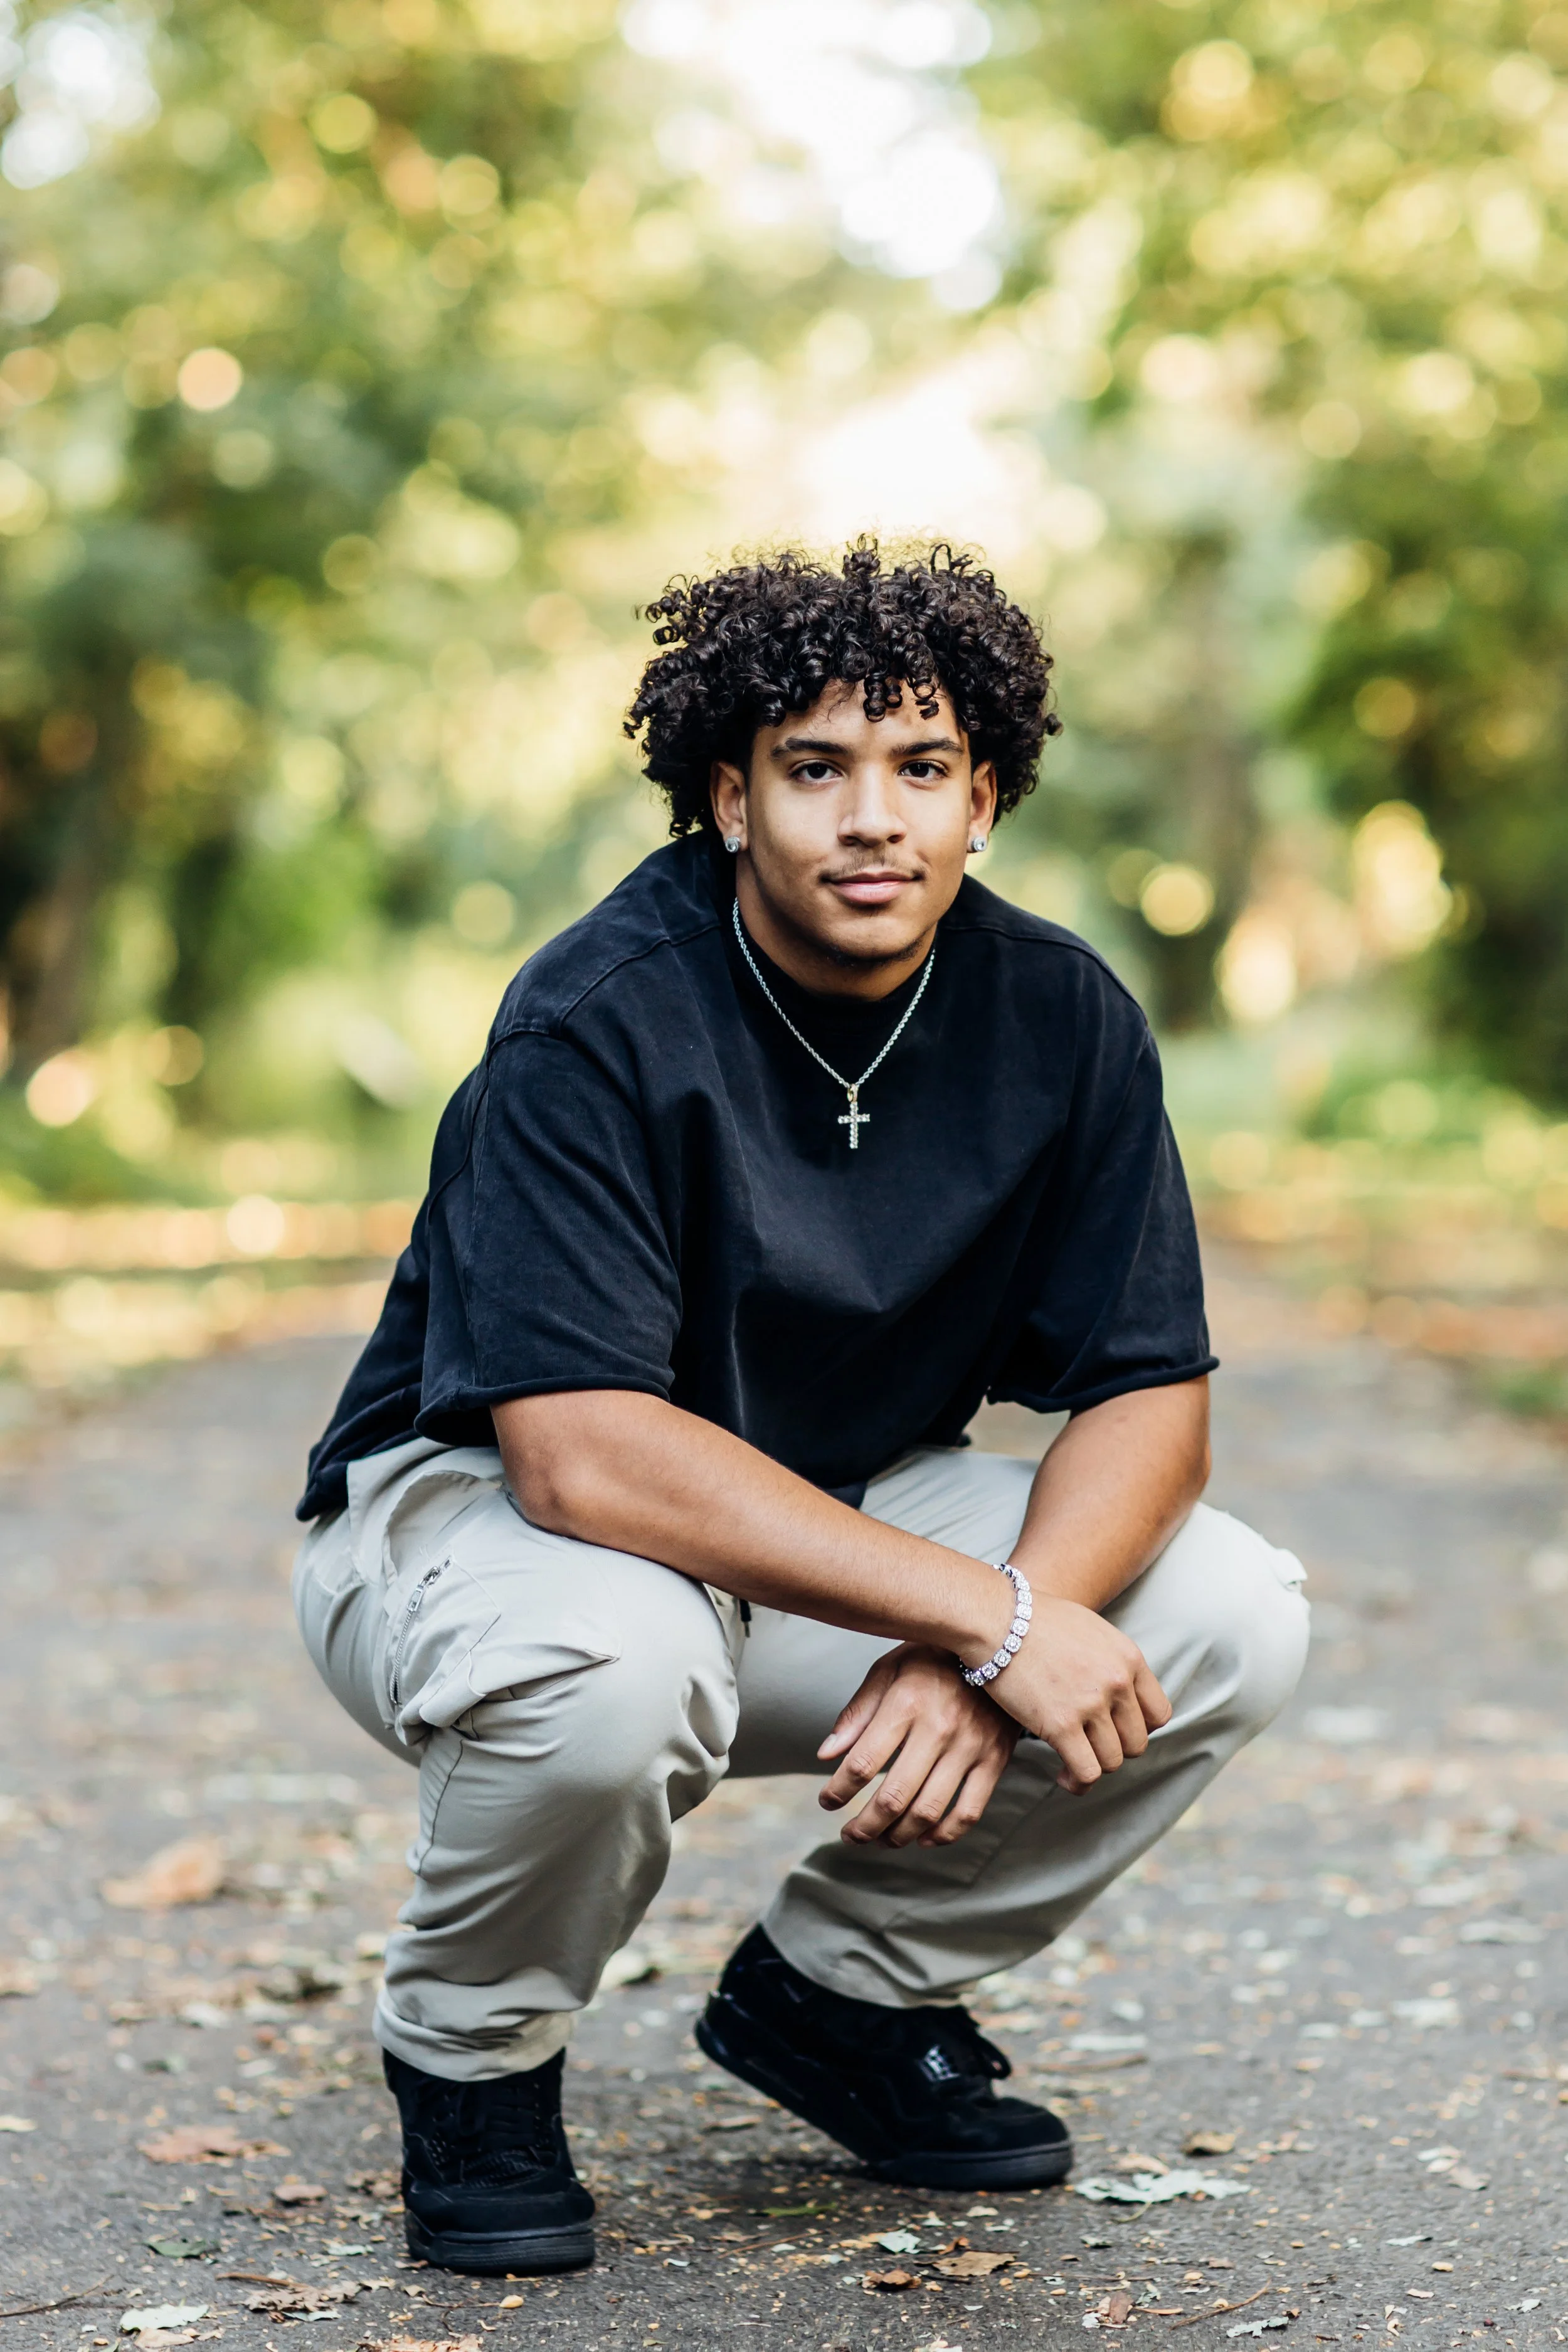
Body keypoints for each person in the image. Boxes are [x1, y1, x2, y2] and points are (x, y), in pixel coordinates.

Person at [292, 542, 1309, 2279]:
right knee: (614, 1665)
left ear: (982, 799)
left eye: (919, 769)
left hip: (820, 1527)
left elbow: (1148, 1387)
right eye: (813, 767)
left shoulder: (1058, 1015)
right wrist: (980, 1616)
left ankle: (839, 1996)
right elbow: (579, 1447)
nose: (871, 820)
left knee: (1226, 1609)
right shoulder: (595, 1017)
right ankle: (471, 2061)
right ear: (726, 795)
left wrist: (995, 1627)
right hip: (482, 1534)